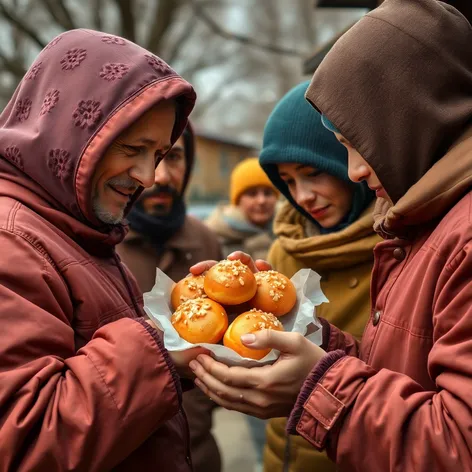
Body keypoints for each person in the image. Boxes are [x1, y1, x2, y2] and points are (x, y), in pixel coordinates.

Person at [188, 0, 472, 470]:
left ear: (414, 119)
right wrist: (308, 337)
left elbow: (458, 446)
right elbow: (396, 372)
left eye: (358, 144)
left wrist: (316, 387)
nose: (355, 171)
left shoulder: (458, 237)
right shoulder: (421, 228)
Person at [0, 29, 199, 471]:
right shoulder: (11, 240)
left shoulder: (74, 227)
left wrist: (189, 328)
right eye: (132, 148)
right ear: (69, 129)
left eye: (160, 154)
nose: (148, 176)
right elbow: (22, 441)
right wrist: (163, 344)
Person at [257, 80, 378, 472]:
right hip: (284, 453)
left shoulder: (392, 249)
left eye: (313, 173)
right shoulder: (283, 249)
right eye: (288, 181)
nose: (302, 196)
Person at [117, 122, 223, 472]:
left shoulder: (206, 241)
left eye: (173, 157)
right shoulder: (97, 245)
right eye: (146, 155)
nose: (160, 176)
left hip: (200, 455)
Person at [206, 157, 279, 261]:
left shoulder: (292, 230)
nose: (261, 201)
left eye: (268, 193)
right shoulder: (214, 238)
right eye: (252, 194)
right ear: (238, 201)